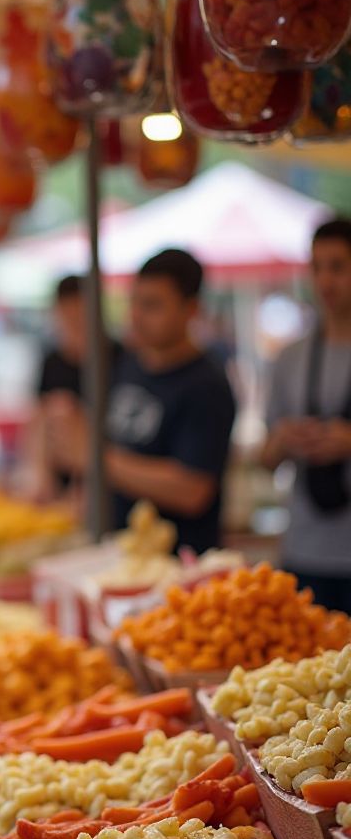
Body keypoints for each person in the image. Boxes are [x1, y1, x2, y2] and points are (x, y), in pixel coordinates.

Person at [51, 249, 236, 553]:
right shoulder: (129, 364)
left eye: (152, 305)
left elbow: (192, 490)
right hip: (120, 551)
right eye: (134, 302)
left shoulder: (206, 385)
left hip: (177, 565)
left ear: (191, 309)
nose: (136, 315)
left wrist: (95, 457)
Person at [262, 218, 351, 613]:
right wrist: (285, 439)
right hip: (304, 549)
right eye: (317, 267)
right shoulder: (291, 358)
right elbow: (265, 459)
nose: (326, 281)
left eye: (338, 267)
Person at [26, 275, 121, 501]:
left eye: (80, 317)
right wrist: (39, 471)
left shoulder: (119, 358)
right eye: (68, 318)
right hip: (61, 486)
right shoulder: (53, 362)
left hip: (107, 483)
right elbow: (39, 417)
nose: (74, 326)